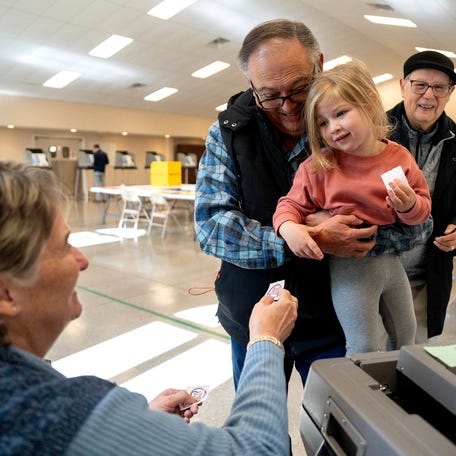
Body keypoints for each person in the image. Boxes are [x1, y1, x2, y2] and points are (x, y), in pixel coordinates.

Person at [0, 160, 299, 455]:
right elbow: (259, 450)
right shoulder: (55, 412)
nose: (82, 260)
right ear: (6, 294)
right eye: (64, 245)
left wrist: (140, 432)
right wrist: (266, 340)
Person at [195, 19, 378, 388]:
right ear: (251, 85)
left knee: (338, 432)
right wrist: (310, 239)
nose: (288, 107)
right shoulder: (229, 134)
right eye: (269, 95)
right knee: (260, 435)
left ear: (320, 64)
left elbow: (414, 227)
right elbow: (211, 226)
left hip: (333, 320)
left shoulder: (350, 127)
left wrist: (364, 235)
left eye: (299, 89)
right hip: (253, 316)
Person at [273, 60, 433, 356]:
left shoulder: (398, 157)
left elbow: (423, 210)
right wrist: (290, 228)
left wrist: (409, 205)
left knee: (407, 335)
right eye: (322, 122)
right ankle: (362, 399)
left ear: (370, 103)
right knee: (364, 344)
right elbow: (288, 206)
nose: (333, 127)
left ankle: (400, 392)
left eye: (341, 113)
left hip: (393, 265)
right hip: (351, 270)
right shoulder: (318, 166)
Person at [387, 50, 456, 342]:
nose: (429, 95)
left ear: (450, 92)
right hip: (375, 270)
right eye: (420, 85)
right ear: (403, 85)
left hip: (427, 278)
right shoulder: (374, 132)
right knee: (364, 362)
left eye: (439, 87)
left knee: (412, 365)